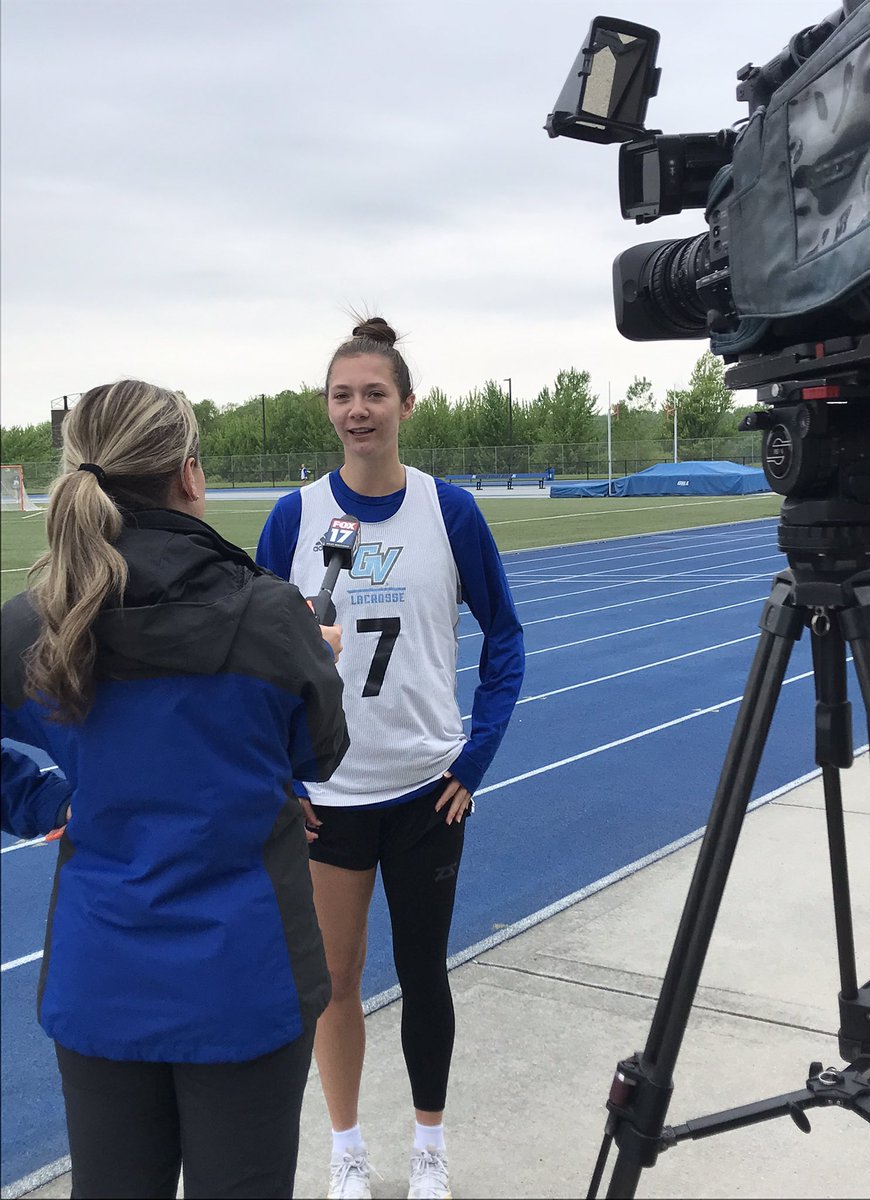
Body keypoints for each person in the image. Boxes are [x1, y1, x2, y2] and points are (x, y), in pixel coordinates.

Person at [0, 379, 349, 1200]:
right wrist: (314, 658)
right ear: (189, 476)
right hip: (248, 974)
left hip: (101, 974)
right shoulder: (270, 617)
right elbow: (319, 754)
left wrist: (48, 802)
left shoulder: (34, 623)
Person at [256, 318, 525, 1200]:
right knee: (334, 981)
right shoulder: (294, 516)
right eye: (343, 395)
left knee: (421, 971)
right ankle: (344, 1150)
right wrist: (282, 775)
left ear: (406, 404)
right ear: (326, 408)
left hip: (423, 790)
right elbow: (250, 662)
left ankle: (429, 1146)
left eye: (375, 393)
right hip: (331, 798)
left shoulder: (448, 510)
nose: (358, 409)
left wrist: (473, 760)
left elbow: (508, 639)